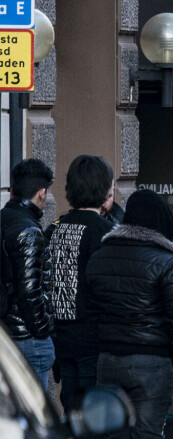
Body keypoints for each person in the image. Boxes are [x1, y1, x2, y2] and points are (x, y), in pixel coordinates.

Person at [82, 189, 173, 439]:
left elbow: (89, 310)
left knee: (116, 436)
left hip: (109, 358)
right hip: (153, 361)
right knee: (147, 436)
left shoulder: (101, 256)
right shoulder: (167, 261)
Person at [43, 154, 115, 415]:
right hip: (94, 343)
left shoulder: (53, 229)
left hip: (61, 341)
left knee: (71, 415)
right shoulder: (105, 233)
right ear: (104, 189)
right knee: (95, 422)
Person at [0, 158, 55, 386]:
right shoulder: (29, 231)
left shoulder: (5, 220)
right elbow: (29, 291)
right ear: (42, 193)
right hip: (25, 337)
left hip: (7, 334)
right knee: (35, 416)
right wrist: (43, 329)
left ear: (12, 190)